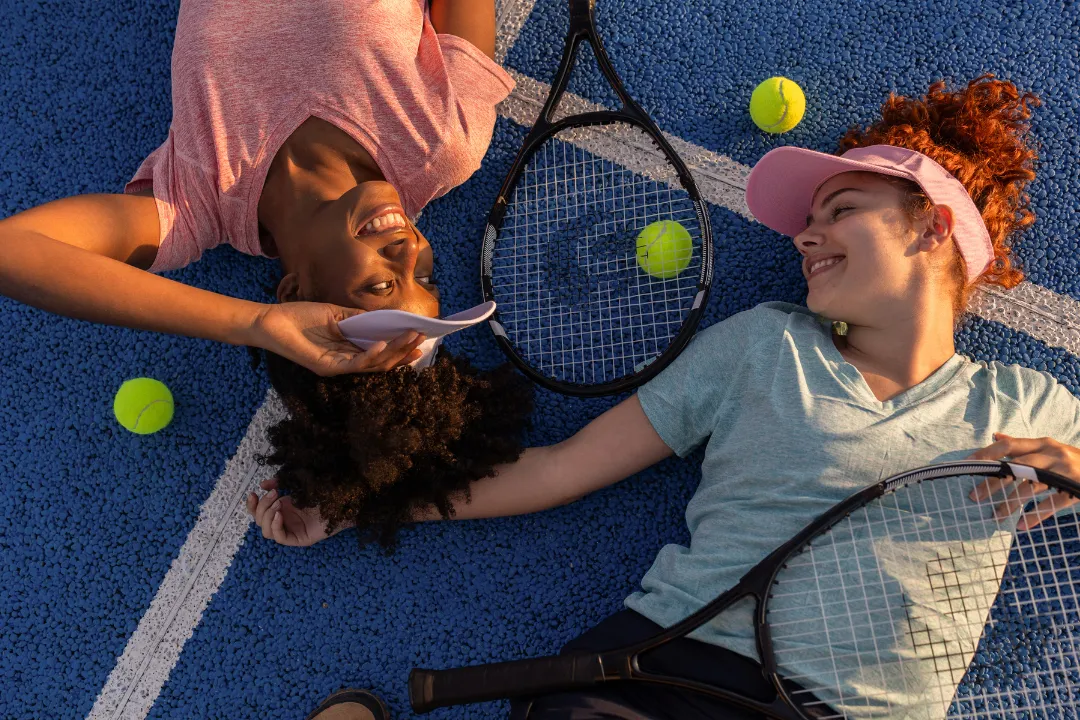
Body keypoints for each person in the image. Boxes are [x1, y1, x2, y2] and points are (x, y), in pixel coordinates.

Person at [259, 75, 1080, 719]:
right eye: (809, 221)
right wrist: (362, 505)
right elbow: (562, 468)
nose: (804, 235)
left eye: (841, 210)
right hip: (666, 674)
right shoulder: (763, 344)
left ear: (933, 226)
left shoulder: (1031, 405)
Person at [0, 0, 512, 376]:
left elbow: (10, 251)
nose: (409, 251)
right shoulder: (442, 143)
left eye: (381, 286)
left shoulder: (195, 201)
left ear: (296, 294)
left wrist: (254, 323)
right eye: (426, 275)